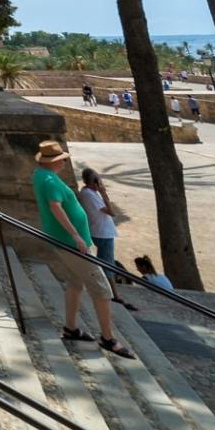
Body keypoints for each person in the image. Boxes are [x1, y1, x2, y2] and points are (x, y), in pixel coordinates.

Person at [32, 141, 136, 359]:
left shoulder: (41, 175)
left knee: (75, 283)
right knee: (101, 288)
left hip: (67, 242)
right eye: (62, 159)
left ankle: (70, 328)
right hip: (71, 244)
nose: (64, 162)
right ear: (55, 161)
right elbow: (55, 207)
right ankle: (108, 338)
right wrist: (76, 235)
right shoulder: (50, 180)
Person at [77, 167, 134, 310]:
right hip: (103, 233)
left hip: (100, 231)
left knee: (104, 262)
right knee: (107, 264)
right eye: (99, 179)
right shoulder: (90, 194)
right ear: (94, 182)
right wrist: (103, 192)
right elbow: (111, 211)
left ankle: (107, 291)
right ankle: (113, 295)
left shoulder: (87, 193)